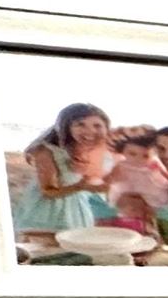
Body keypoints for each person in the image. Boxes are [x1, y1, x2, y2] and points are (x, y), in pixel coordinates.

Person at [10, 104, 112, 243]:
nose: (90, 131)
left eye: (97, 125)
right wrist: (81, 186)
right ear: (66, 127)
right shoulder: (47, 151)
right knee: (51, 251)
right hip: (49, 214)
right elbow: (48, 191)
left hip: (79, 211)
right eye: (80, 124)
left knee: (79, 248)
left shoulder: (94, 151)